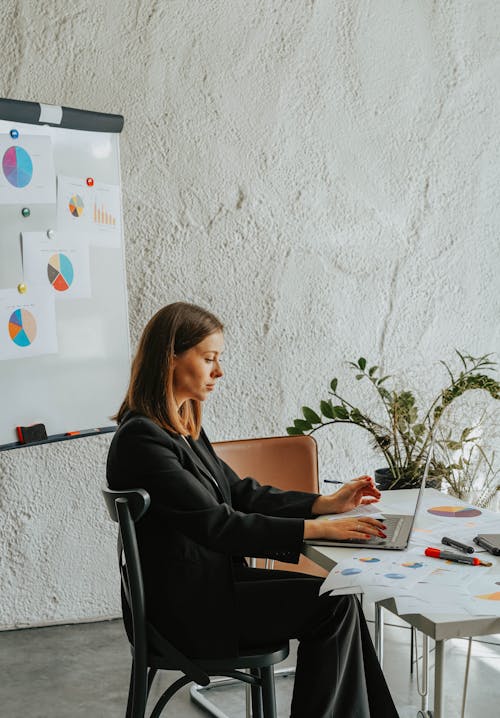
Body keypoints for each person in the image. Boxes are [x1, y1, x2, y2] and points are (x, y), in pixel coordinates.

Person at [106, 301, 400, 718]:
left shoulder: (178, 427)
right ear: (170, 357)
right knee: (333, 603)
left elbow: (240, 492)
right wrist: (318, 531)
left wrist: (323, 504)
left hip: (206, 590)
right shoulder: (143, 441)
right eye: (209, 359)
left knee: (338, 597)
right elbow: (219, 527)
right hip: (187, 613)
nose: (219, 372)